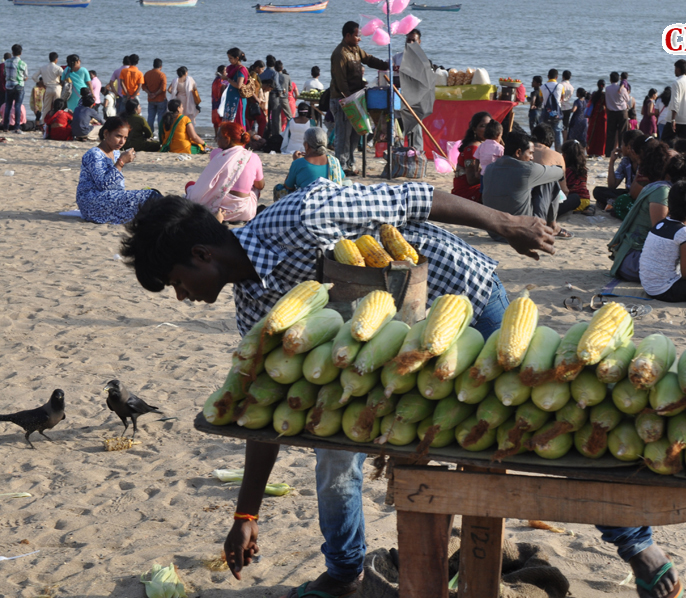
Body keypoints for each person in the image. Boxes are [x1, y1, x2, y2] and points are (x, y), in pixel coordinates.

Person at [119, 171, 558, 598]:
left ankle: (625, 541)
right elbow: (262, 409)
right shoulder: (255, 309)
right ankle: (345, 569)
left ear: (201, 254)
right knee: (332, 454)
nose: (182, 296)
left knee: (508, 425)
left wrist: (508, 223)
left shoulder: (302, 217)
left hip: (464, 299)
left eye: (176, 282)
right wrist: (247, 512)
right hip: (375, 355)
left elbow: (415, 198)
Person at [608, 150, 686, 281]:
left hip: (652, 254)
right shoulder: (663, 191)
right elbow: (663, 233)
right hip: (636, 258)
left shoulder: (678, 192)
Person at [482, 130, 573, 242]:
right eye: (530, 153)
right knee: (550, 179)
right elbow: (559, 173)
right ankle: (552, 226)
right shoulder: (526, 169)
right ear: (518, 152)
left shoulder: (490, 168)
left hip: (495, 233)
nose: (532, 158)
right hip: (523, 232)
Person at [331, 21, 391, 175]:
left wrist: (387, 65)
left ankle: (350, 164)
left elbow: (369, 60)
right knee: (343, 135)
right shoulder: (340, 54)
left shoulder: (356, 50)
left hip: (356, 99)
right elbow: (340, 81)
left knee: (354, 135)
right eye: (357, 36)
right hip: (343, 101)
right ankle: (341, 167)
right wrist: (348, 100)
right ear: (348, 35)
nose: (359, 39)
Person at [76, 117, 160, 224]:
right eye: (118, 136)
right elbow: (103, 185)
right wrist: (121, 162)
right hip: (92, 202)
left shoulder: (115, 152)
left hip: (108, 197)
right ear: (106, 134)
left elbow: (116, 184)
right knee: (150, 197)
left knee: (152, 195)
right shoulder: (94, 154)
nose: (122, 141)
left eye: (125, 138)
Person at [186, 122, 263, 223]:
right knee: (254, 188)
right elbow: (260, 185)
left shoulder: (217, 154)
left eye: (218, 137)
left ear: (227, 139)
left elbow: (211, 181)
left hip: (218, 208)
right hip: (244, 212)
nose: (216, 140)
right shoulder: (253, 157)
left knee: (190, 185)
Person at [531, 123, 580, 225]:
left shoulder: (523, 152)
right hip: (543, 209)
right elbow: (564, 189)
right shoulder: (557, 156)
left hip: (522, 205)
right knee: (575, 198)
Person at [280, 126, 344, 194]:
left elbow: (288, 186)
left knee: (278, 188)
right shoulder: (334, 161)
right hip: (331, 201)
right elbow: (342, 176)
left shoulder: (298, 163)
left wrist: (295, 161)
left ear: (306, 145)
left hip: (307, 202)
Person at [594, 129, 643, 213]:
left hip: (639, 194)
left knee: (625, 199)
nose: (620, 147)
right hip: (628, 193)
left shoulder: (643, 161)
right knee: (597, 191)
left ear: (628, 148)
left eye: (622, 144)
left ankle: (613, 202)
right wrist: (611, 162)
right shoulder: (626, 161)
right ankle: (614, 202)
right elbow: (612, 185)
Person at [451, 111, 490, 202]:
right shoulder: (473, 148)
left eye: (489, 126)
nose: (487, 129)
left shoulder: (484, 144)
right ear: (474, 129)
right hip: (468, 192)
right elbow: (471, 180)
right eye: (483, 126)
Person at [222, 48, 251, 129]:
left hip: (238, 99)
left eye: (231, 58)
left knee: (238, 121)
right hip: (231, 98)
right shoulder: (233, 68)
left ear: (237, 58)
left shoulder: (241, 69)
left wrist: (227, 79)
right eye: (228, 58)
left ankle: (240, 139)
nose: (229, 60)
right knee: (230, 121)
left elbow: (239, 85)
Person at [667, 59, 686, 142]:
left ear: (678, 69)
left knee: (666, 143)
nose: (674, 71)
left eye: (675, 69)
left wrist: (673, 119)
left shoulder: (676, 82)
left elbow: (675, 101)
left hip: (677, 119)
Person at [3, 44, 28, 133]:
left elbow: (5, 73)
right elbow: (25, 76)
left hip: (9, 86)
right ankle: (17, 127)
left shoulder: (7, 62)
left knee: (8, 106)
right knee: (17, 105)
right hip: (19, 86)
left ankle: (5, 127)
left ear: (12, 52)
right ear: (21, 53)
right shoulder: (23, 64)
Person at [604, 72, 629, 157]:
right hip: (622, 112)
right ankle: (621, 152)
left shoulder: (607, 88)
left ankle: (608, 153)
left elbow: (606, 100)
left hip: (611, 112)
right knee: (622, 132)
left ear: (610, 79)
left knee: (611, 133)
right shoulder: (622, 89)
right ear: (618, 79)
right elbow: (627, 99)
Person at [561, 139, 590, 213]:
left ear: (566, 155)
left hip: (576, 201)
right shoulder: (583, 169)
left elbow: (564, 188)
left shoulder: (567, 171)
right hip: (586, 200)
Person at [539, 69, 564, 150]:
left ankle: (545, 150)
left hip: (546, 112)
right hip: (557, 112)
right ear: (557, 77)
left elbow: (541, 99)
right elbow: (561, 99)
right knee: (558, 132)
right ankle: (558, 152)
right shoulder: (560, 86)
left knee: (545, 131)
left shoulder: (542, 87)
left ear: (548, 76)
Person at [265, 61, 291, 137]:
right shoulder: (287, 76)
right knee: (289, 116)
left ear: (275, 68)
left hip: (275, 97)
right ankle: (290, 132)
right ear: (282, 68)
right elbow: (290, 88)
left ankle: (276, 134)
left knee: (276, 117)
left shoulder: (274, 75)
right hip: (284, 98)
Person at [143, 58, 167, 137]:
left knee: (150, 117)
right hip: (160, 99)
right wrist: (156, 94)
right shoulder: (162, 75)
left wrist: (149, 93)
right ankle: (161, 134)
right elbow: (163, 88)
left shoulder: (147, 74)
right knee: (160, 117)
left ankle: (150, 134)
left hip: (151, 99)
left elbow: (143, 86)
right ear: (161, 66)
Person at [586, 78, 606, 157]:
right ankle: (600, 152)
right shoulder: (604, 95)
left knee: (592, 134)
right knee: (601, 135)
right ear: (604, 86)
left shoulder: (594, 94)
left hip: (594, 117)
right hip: (602, 117)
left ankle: (590, 151)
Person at [211, 65, 228, 133]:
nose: (226, 72)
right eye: (225, 70)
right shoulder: (221, 80)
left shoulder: (216, 80)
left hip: (215, 101)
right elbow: (222, 91)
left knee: (216, 120)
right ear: (221, 72)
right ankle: (221, 135)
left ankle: (216, 135)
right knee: (221, 119)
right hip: (221, 101)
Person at [559, 70, 575, 141]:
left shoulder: (560, 85)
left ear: (563, 76)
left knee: (557, 127)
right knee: (565, 128)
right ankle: (565, 143)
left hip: (560, 107)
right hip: (567, 107)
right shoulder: (571, 87)